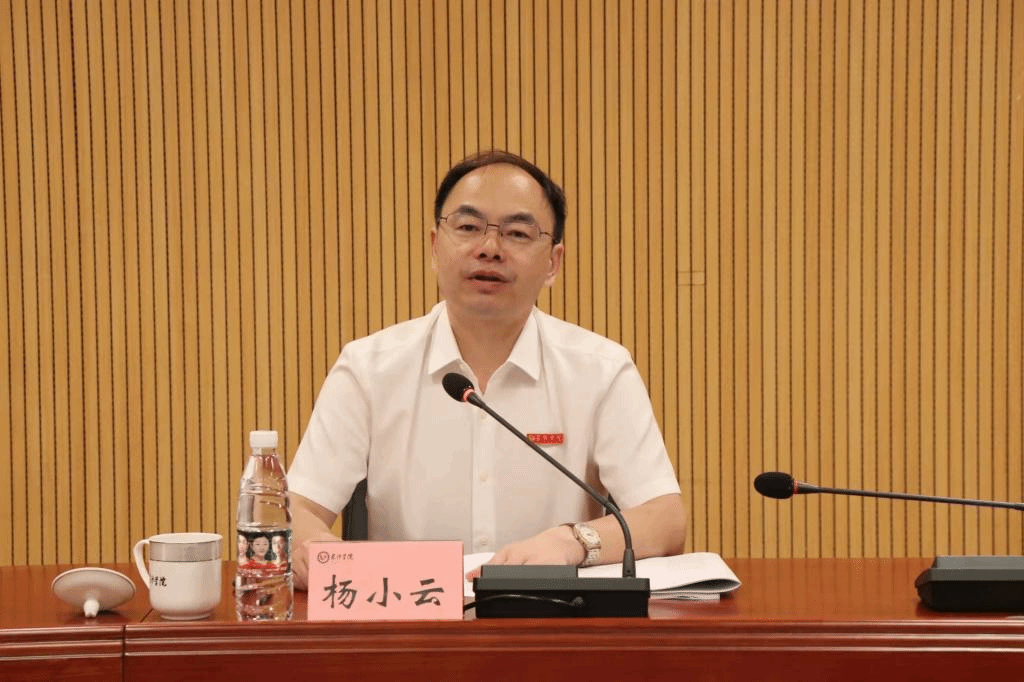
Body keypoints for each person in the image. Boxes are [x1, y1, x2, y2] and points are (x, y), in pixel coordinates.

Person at [286, 150, 687, 589]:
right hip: (412, 619)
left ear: (552, 263)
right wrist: (314, 548)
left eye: (517, 233)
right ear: (435, 246)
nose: (489, 249)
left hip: (551, 617)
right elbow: (293, 509)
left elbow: (665, 519)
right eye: (467, 227)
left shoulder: (601, 370)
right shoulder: (369, 368)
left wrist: (573, 541)